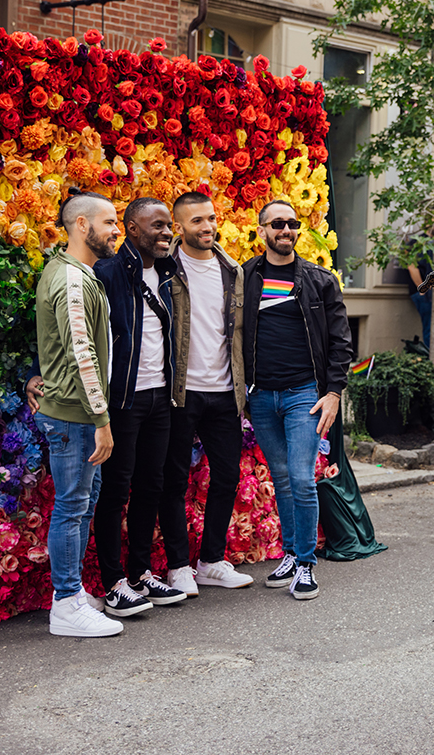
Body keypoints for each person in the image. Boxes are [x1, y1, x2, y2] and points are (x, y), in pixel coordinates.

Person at [242, 199, 351, 600]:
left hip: (304, 394)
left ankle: (305, 563)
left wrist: (334, 391)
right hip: (261, 396)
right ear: (262, 230)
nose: (286, 230)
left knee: (302, 477)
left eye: (292, 223)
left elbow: (340, 341)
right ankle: (289, 553)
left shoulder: (320, 280)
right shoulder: (245, 277)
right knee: (283, 477)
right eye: (278, 224)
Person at [31, 189, 123, 637]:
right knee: (71, 507)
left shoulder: (79, 274)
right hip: (75, 417)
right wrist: (101, 420)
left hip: (77, 413)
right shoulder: (70, 278)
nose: (116, 229)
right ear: (82, 225)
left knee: (81, 505)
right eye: (109, 222)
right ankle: (67, 604)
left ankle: (70, 594)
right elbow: (81, 354)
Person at [90, 197, 187, 616]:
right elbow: (83, 330)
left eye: (169, 226)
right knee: (115, 491)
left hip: (159, 396)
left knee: (152, 486)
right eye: (158, 226)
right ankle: (113, 584)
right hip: (123, 399)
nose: (167, 232)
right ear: (132, 228)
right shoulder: (107, 272)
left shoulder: (168, 272)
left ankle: (140, 573)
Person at [163, 191, 253, 595]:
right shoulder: (165, 269)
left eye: (211, 218)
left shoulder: (232, 269)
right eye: (196, 221)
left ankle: (212, 560)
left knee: (227, 476)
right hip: (180, 392)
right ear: (179, 226)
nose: (207, 227)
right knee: (174, 479)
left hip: (223, 391)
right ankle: (178, 566)